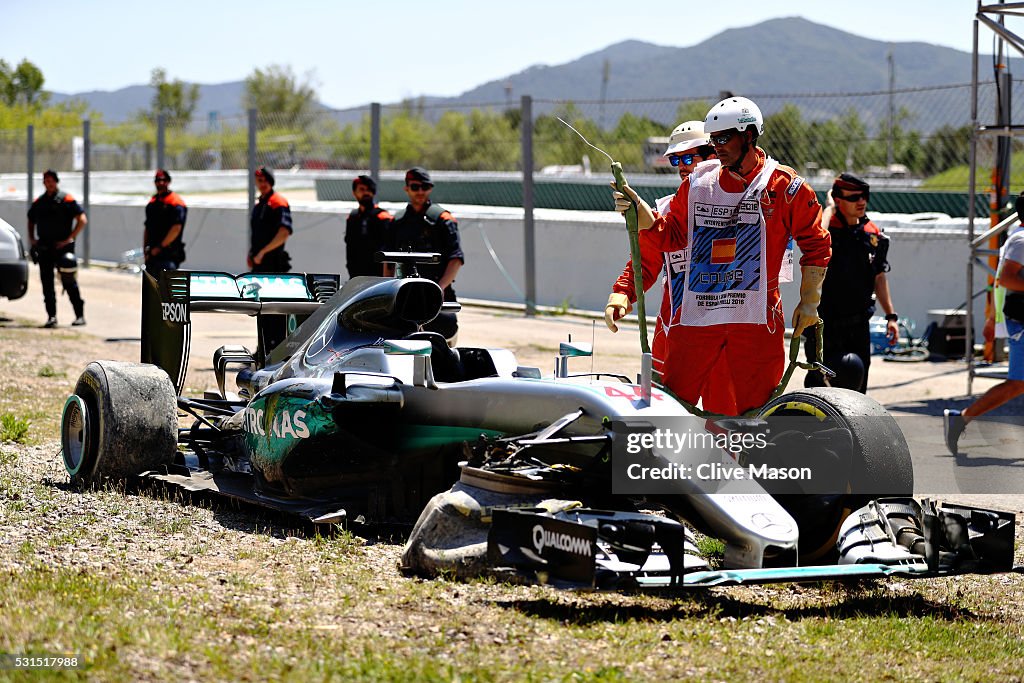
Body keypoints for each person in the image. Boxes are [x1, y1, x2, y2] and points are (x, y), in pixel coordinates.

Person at [612, 97, 831, 414]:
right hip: (697, 319)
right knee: (673, 408)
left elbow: (816, 242)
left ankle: (752, 464)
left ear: (750, 134)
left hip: (755, 321)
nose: (717, 146)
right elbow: (669, 237)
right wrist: (642, 214)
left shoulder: (785, 186)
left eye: (724, 137)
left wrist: (810, 300)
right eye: (713, 139)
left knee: (755, 415)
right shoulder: (697, 184)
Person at [605, 121, 738, 414]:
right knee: (666, 415)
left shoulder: (742, 206)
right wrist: (623, 294)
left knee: (727, 421)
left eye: (690, 158)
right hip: (674, 333)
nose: (682, 166)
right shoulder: (664, 213)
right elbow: (646, 261)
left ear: (714, 154)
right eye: (677, 160)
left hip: (726, 335)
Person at [944, 193, 1024, 455]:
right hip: (1021, 322)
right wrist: (993, 317)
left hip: (1015, 319)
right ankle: (962, 417)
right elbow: (1004, 280)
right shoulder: (1020, 240)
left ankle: (962, 417)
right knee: (1016, 384)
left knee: (1017, 384)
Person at [803, 173, 898, 393]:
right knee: (822, 388)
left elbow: (879, 277)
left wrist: (891, 316)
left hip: (858, 326)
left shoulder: (871, 235)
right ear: (838, 200)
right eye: (854, 197)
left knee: (857, 384)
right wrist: (828, 209)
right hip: (825, 325)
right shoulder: (829, 230)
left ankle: (850, 428)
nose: (861, 201)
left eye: (864, 196)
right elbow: (816, 240)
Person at [384, 167, 464, 340]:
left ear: (430, 188)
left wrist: (440, 288)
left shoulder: (443, 220)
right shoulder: (397, 222)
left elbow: (456, 258)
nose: (420, 191)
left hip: (437, 296)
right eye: (415, 187)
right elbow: (388, 262)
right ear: (406, 189)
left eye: (424, 187)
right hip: (403, 297)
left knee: (441, 347)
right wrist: (387, 291)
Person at [27, 169, 87, 328]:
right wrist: (32, 239)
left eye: (51, 180)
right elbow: (31, 220)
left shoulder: (66, 199)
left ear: (56, 181)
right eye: (46, 180)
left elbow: (82, 219)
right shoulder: (39, 202)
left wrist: (69, 238)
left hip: (63, 248)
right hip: (45, 247)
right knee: (47, 284)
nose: (49, 183)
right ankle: (51, 316)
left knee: (69, 281)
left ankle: (79, 315)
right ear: (44, 183)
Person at [345, 174, 392, 278]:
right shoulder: (352, 217)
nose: (366, 192)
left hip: (377, 276)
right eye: (362, 189)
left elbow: (388, 251)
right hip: (356, 276)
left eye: (369, 189)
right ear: (354, 193)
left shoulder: (383, 217)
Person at [249, 166, 292, 273]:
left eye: (266, 180)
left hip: (274, 264)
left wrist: (262, 252)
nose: (263, 184)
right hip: (259, 263)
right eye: (260, 180)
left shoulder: (278, 202)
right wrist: (252, 253)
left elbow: (284, 233)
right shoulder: (260, 203)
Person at [144, 169, 187, 276]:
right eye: (158, 180)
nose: (161, 183)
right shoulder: (152, 203)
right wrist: (146, 249)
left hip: (168, 255)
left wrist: (160, 247)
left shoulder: (175, 202)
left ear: (168, 182)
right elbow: (147, 227)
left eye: (164, 180)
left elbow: (176, 228)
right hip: (152, 257)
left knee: (166, 289)